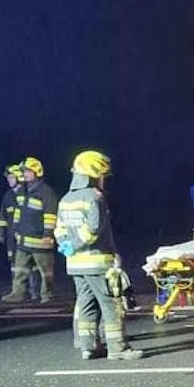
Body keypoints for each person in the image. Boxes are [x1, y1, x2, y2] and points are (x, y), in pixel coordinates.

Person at [54, 150, 142, 360]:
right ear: (94, 174)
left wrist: (67, 246)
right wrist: (78, 244)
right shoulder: (95, 197)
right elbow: (94, 229)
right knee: (111, 304)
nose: (104, 180)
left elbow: (59, 230)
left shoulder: (66, 199)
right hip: (96, 262)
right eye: (102, 175)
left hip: (74, 264)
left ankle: (89, 347)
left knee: (85, 304)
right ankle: (118, 349)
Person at [2, 156, 58, 303]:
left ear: (37, 172)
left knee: (46, 272)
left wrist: (48, 234)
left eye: (27, 171)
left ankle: (47, 295)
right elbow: (18, 213)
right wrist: (15, 230)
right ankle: (17, 293)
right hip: (23, 240)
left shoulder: (46, 192)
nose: (25, 174)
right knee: (20, 270)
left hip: (40, 240)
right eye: (23, 171)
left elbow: (50, 215)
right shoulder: (22, 191)